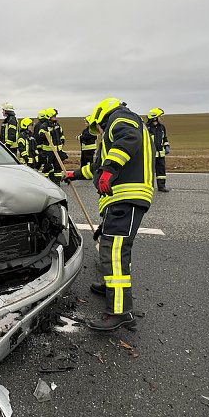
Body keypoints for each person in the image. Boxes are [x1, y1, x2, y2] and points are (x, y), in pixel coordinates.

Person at [66, 97, 154, 331]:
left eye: (98, 127)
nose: (100, 132)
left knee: (115, 252)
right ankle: (111, 287)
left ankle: (120, 311)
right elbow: (98, 167)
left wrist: (110, 169)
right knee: (109, 246)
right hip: (121, 198)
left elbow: (128, 140)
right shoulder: (116, 129)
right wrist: (74, 174)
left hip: (127, 196)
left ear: (101, 116)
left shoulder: (120, 118)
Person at [145, 108, 171, 192]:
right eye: (159, 116)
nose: (160, 118)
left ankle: (161, 186)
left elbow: (165, 138)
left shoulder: (162, 127)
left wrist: (167, 146)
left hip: (161, 154)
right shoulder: (146, 128)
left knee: (161, 171)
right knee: (149, 172)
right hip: (150, 154)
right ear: (154, 117)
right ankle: (148, 187)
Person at [36, 109, 63, 183]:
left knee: (58, 167)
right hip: (48, 151)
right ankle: (44, 182)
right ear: (49, 116)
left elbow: (61, 134)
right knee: (47, 167)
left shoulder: (57, 125)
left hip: (57, 150)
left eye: (55, 116)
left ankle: (57, 182)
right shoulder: (44, 126)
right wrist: (49, 131)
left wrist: (62, 141)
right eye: (54, 116)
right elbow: (41, 135)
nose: (55, 117)